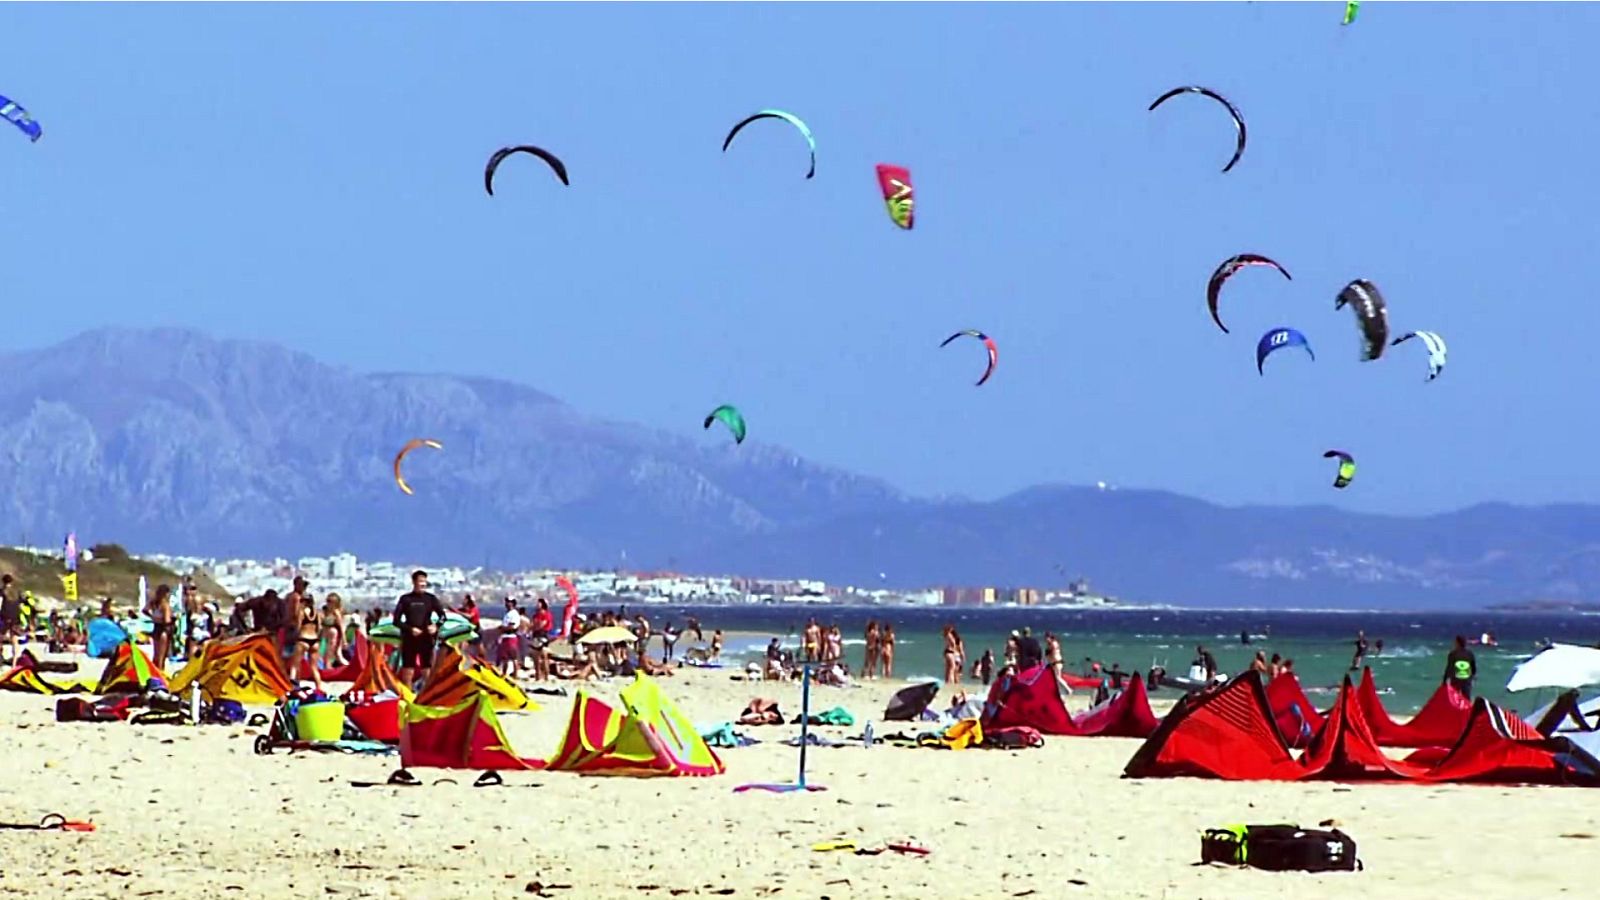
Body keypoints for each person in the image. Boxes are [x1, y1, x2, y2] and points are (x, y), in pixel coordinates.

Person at [393, 570, 447, 686]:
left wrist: (436, 626)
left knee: (426, 668)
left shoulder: (431, 599)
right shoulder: (406, 599)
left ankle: (427, 695)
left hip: (426, 638)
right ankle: (408, 695)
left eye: (425, 582)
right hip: (409, 638)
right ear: (414, 582)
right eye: (420, 581)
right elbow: (396, 621)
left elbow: (443, 616)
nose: (423, 584)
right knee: (408, 668)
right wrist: (410, 629)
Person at [290, 590, 325, 691]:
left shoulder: (301, 612)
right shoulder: (317, 613)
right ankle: (319, 687)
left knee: (295, 665)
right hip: (314, 640)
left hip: (303, 638)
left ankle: (293, 686)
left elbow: (298, 626)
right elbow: (319, 628)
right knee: (314, 667)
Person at [147, 583, 175, 668]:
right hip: (164, 630)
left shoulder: (154, 603)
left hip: (156, 628)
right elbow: (167, 620)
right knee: (161, 657)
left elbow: (144, 610)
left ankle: (154, 673)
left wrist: (153, 617)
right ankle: (160, 674)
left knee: (156, 655)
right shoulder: (165, 605)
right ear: (166, 593)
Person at [1444, 635, 1478, 699]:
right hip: (1466, 680)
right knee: (1466, 698)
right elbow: (1473, 668)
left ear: (1457, 643)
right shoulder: (1470, 654)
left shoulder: (1453, 654)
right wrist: (1472, 678)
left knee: (1454, 699)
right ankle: (1467, 709)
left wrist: (1444, 681)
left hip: (1456, 680)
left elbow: (1449, 668)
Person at [529, 598, 554, 681]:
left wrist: (535, 626)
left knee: (544, 656)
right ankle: (537, 675)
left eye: (538, 603)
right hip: (536, 635)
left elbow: (541, 625)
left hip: (542, 635)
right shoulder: (535, 615)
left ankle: (546, 676)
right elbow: (532, 625)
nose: (537, 605)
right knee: (536, 657)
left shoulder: (546, 614)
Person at [498, 600, 524, 678]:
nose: (507, 603)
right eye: (506, 602)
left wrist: (503, 628)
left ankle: (515, 675)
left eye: (509, 602)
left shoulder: (514, 614)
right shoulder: (507, 614)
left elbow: (512, 627)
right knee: (504, 658)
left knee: (513, 657)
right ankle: (504, 674)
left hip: (511, 637)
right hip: (505, 637)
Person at [320, 594, 345, 668]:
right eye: (327, 601)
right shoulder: (326, 612)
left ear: (335, 603)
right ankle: (327, 668)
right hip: (325, 635)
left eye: (330, 601)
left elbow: (341, 626)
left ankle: (328, 668)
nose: (328, 603)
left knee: (331, 653)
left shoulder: (336, 613)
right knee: (324, 653)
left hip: (333, 636)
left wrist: (344, 640)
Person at [1, 574, 21, 665]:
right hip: (15, 618)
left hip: (4, 617)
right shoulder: (17, 592)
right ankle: (14, 662)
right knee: (15, 640)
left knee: (0, 638)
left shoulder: (2, 591)